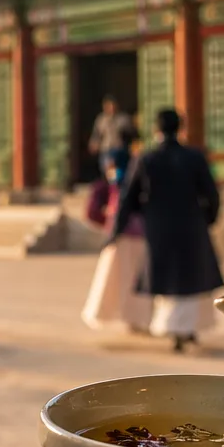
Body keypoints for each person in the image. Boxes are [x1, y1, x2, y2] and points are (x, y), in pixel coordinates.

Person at [109, 109, 224, 353]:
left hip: (159, 227)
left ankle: (174, 329)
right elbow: (212, 194)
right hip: (191, 224)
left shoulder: (146, 158)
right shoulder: (194, 157)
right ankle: (186, 329)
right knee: (190, 277)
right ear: (180, 128)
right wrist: (208, 219)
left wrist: (116, 230)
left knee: (169, 277)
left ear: (156, 130)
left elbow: (127, 198)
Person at [80, 138, 152, 334]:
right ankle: (132, 318)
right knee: (124, 282)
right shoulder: (109, 186)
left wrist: (111, 224)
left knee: (135, 282)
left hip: (131, 238)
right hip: (126, 239)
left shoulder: (131, 182)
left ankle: (139, 319)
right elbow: (92, 211)